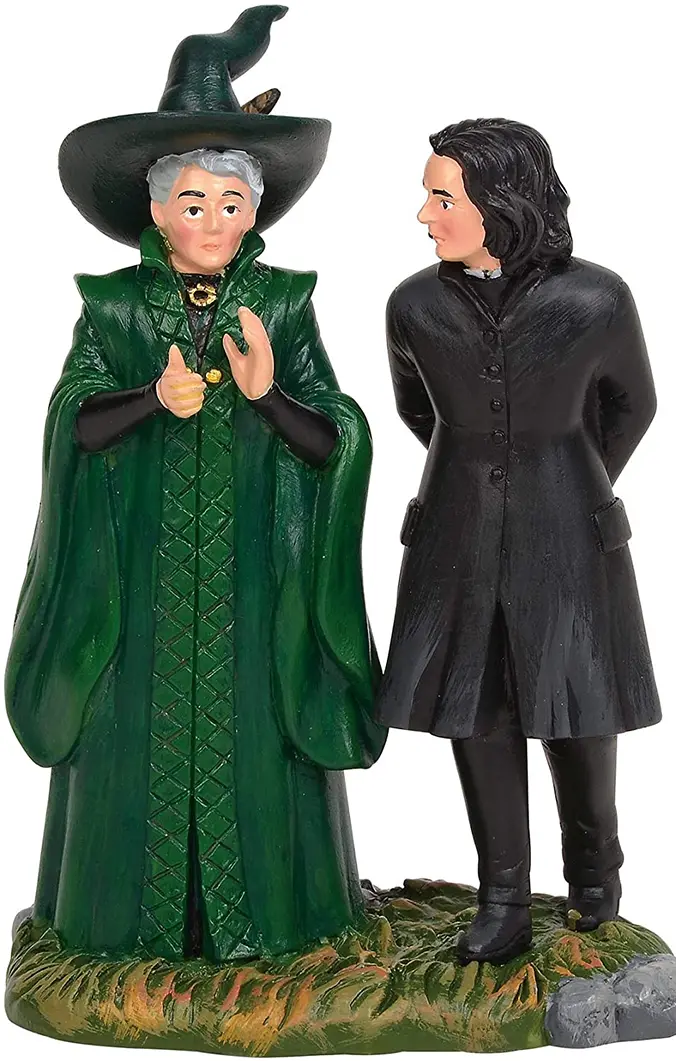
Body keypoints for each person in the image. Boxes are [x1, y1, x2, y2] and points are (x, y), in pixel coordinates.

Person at [5, 7, 384, 963]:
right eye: (192, 202)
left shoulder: (284, 306)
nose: (212, 222)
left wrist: (268, 398)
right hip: (139, 588)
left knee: (258, 736)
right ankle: (120, 928)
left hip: (256, 587)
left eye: (230, 202)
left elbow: (337, 436)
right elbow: (71, 421)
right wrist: (148, 398)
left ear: (254, 210)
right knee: (131, 731)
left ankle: (280, 921)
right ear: (157, 208)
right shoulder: (114, 308)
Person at [375, 117, 660, 965]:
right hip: (454, 539)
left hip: (570, 537)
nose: (425, 216)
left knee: (579, 703)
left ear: (501, 201)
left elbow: (632, 405)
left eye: (443, 198)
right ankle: (502, 897)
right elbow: (418, 410)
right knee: (477, 709)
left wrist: (566, 482)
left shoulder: (596, 299)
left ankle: (595, 873)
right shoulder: (414, 306)